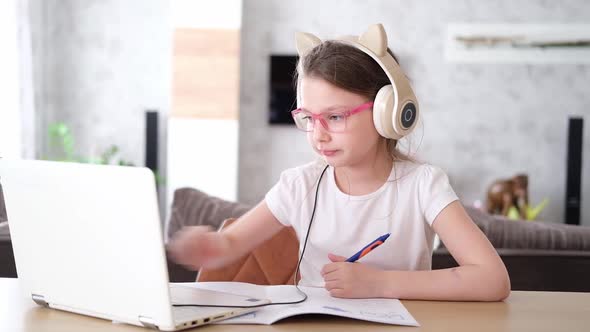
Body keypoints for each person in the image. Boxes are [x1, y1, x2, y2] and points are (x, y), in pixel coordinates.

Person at [170, 24, 510, 301]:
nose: (318, 135)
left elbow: (492, 279)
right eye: (308, 118)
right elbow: (230, 244)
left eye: (334, 117)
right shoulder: (299, 185)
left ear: (386, 112)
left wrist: (379, 284)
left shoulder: (424, 185)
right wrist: (206, 247)